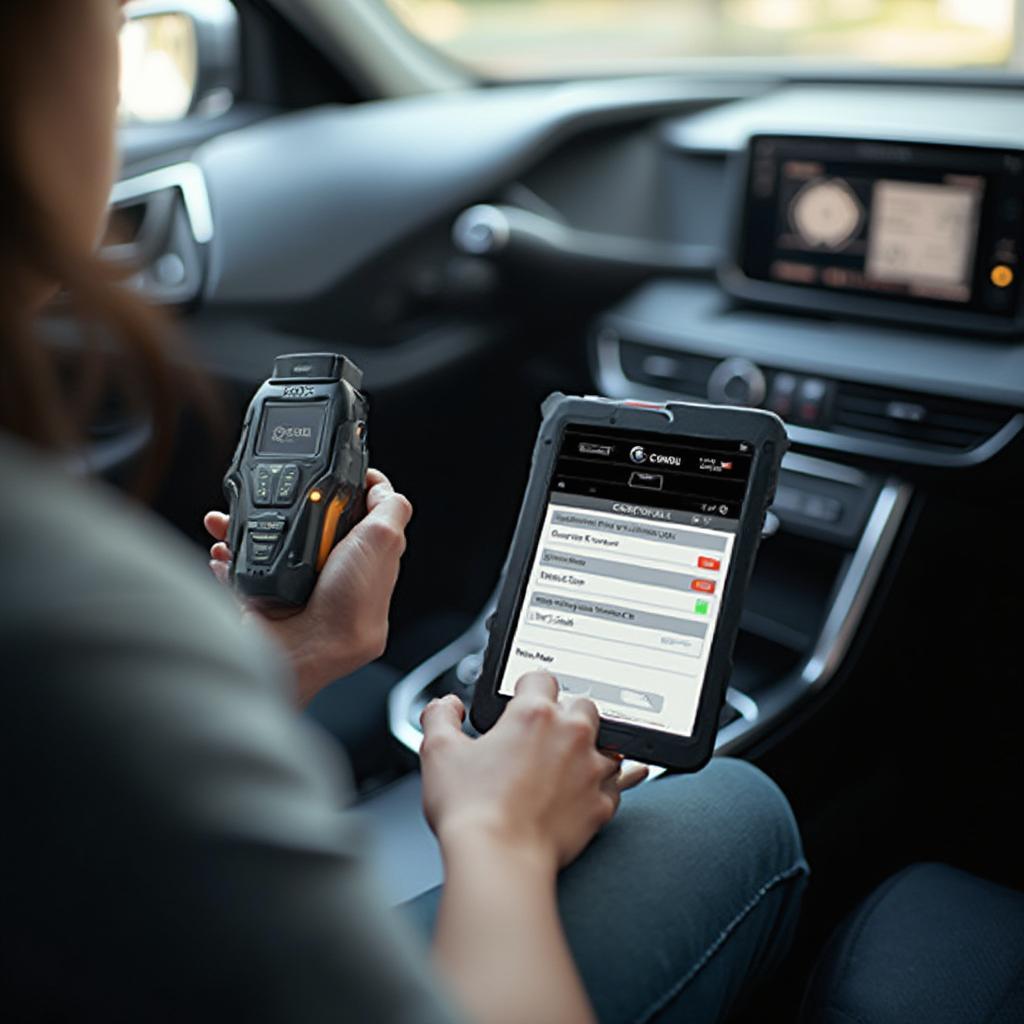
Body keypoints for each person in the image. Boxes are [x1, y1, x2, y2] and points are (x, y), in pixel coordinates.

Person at [0, 4, 808, 1022]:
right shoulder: (63, 609)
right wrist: (497, 836)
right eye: (107, 27)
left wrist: (281, 656)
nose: (115, 86)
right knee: (733, 807)